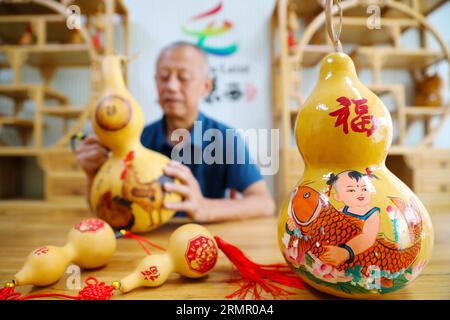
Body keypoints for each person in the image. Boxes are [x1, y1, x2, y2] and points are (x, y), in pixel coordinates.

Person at [76, 41, 275, 223]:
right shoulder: (136, 138)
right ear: (156, 83)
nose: (171, 86)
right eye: (163, 77)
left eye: (183, 78)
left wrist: (206, 207)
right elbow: (105, 210)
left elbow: (264, 203)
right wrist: (93, 175)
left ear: (206, 86)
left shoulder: (225, 139)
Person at [320, 170, 380, 267]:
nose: (360, 193)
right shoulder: (342, 210)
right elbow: (326, 225)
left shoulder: (372, 213)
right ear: (338, 197)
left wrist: (346, 251)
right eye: (352, 190)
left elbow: (368, 237)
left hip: (363, 255)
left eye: (364, 189)